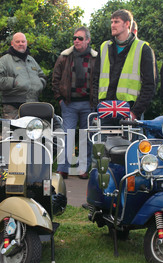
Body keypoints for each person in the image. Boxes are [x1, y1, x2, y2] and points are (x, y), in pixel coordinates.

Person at [52, 26, 98, 179]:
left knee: (86, 137)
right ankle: (63, 168)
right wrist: (60, 99)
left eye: (80, 38)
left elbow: (99, 81)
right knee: (67, 136)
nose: (76, 41)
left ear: (88, 40)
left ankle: (82, 169)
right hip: (69, 104)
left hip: (88, 104)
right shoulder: (65, 56)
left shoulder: (95, 58)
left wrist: (96, 102)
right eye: (74, 38)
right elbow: (55, 78)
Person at [96, 9, 156, 121]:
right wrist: (95, 107)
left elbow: (149, 85)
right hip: (105, 110)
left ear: (127, 24)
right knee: (103, 139)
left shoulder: (143, 48)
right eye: (112, 22)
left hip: (130, 111)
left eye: (116, 22)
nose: (112, 25)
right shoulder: (104, 47)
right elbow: (94, 80)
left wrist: (135, 112)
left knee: (131, 139)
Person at [0, 32, 47, 119]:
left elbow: (42, 76)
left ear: (26, 43)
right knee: (10, 132)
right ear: (12, 44)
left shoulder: (31, 60)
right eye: (18, 42)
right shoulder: (4, 60)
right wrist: (14, 82)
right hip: (12, 107)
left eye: (23, 41)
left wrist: (40, 84)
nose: (21, 44)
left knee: (33, 133)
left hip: (33, 104)